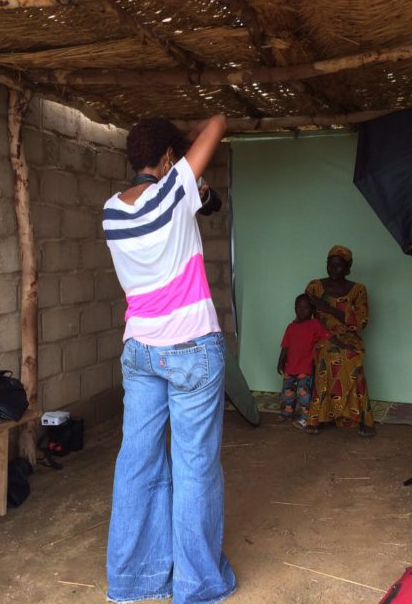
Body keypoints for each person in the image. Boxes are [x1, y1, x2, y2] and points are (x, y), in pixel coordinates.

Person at [102, 115, 236, 604]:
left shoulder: (111, 210)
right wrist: (186, 142)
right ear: (165, 159)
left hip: (139, 351)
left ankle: (133, 580)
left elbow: (192, 201)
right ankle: (198, 585)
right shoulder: (174, 188)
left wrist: (186, 175)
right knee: (195, 465)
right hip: (190, 350)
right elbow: (218, 122)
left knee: (136, 462)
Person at [304, 245, 374, 436]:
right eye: (330, 265)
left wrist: (328, 308)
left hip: (350, 338)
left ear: (348, 267)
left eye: (339, 266)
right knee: (328, 354)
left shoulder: (358, 290)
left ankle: (362, 417)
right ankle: (317, 416)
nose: (333, 270)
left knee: (351, 354)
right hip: (321, 338)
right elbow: (303, 315)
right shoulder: (314, 287)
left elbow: (360, 323)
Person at [277, 293, 329, 428]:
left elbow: (326, 338)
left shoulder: (315, 325)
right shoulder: (291, 327)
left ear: (312, 310)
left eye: (305, 308)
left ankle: (305, 417)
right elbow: (285, 346)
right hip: (290, 367)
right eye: (298, 307)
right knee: (287, 391)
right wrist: (280, 361)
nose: (301, 311)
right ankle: (288, 411)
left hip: (305, 368)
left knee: (303, 394)